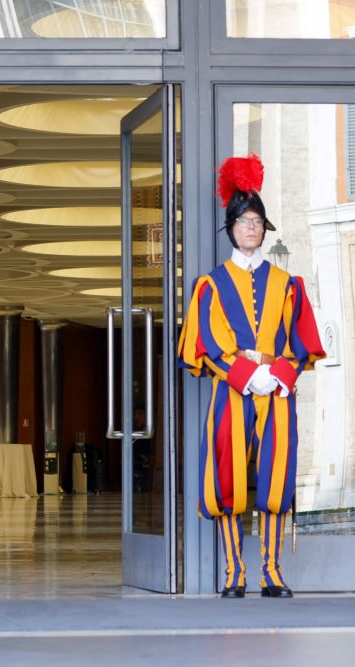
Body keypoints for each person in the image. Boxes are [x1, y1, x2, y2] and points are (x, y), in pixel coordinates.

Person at [178, 154, 324, 599]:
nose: (251, 228)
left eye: (257, 221)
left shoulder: (288, 283)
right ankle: (234, 572)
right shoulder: (211, 285)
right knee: (228, 476)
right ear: (231, 227)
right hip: (233, 390)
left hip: (277, 390)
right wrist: (246, 375)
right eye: (244, 220)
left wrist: (278, 374)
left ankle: (272, 572)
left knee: (277, 478)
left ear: (265, 228)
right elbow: (205, 342)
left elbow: (302, 341)